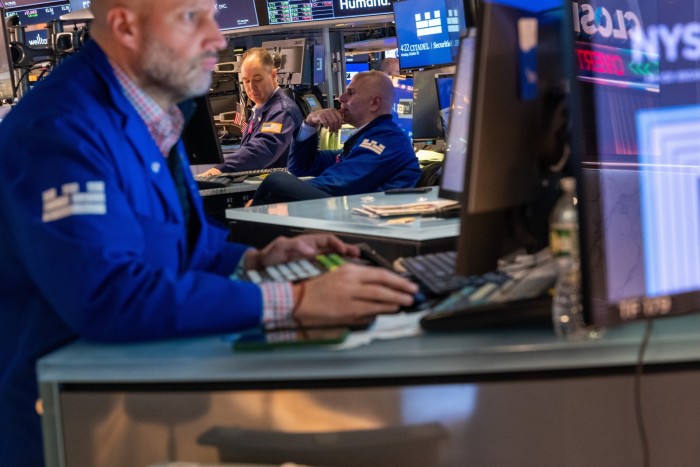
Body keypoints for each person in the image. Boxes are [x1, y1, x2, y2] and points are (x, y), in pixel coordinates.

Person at [0, 1, 418, 465]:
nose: (217, 38)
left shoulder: (151, 113)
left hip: (133, 396)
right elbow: (108, 294)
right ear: (125, 26)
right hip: (67, 425)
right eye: (190, 17)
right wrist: (296, 301)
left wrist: (253, 261)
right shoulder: (62, 128)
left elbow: (181, 244)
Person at [250, 70, 421, 206]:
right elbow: (301, 169)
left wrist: (277, 195)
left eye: (350, 93)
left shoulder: (386, 140)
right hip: (357, 218)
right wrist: (310, 123)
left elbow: (335, 184)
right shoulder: (367, 139)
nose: (341, 98)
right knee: (278, 185)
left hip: (377, 229)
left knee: (277, 181)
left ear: (374, 103)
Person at [200, 47, 303, 176]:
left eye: (258, 79)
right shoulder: (260, 110)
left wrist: (223, 168)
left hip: (280, 190)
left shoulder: (282, 111)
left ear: (273, 75)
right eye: (246, 81)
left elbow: (262, 149)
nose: (251, 86)